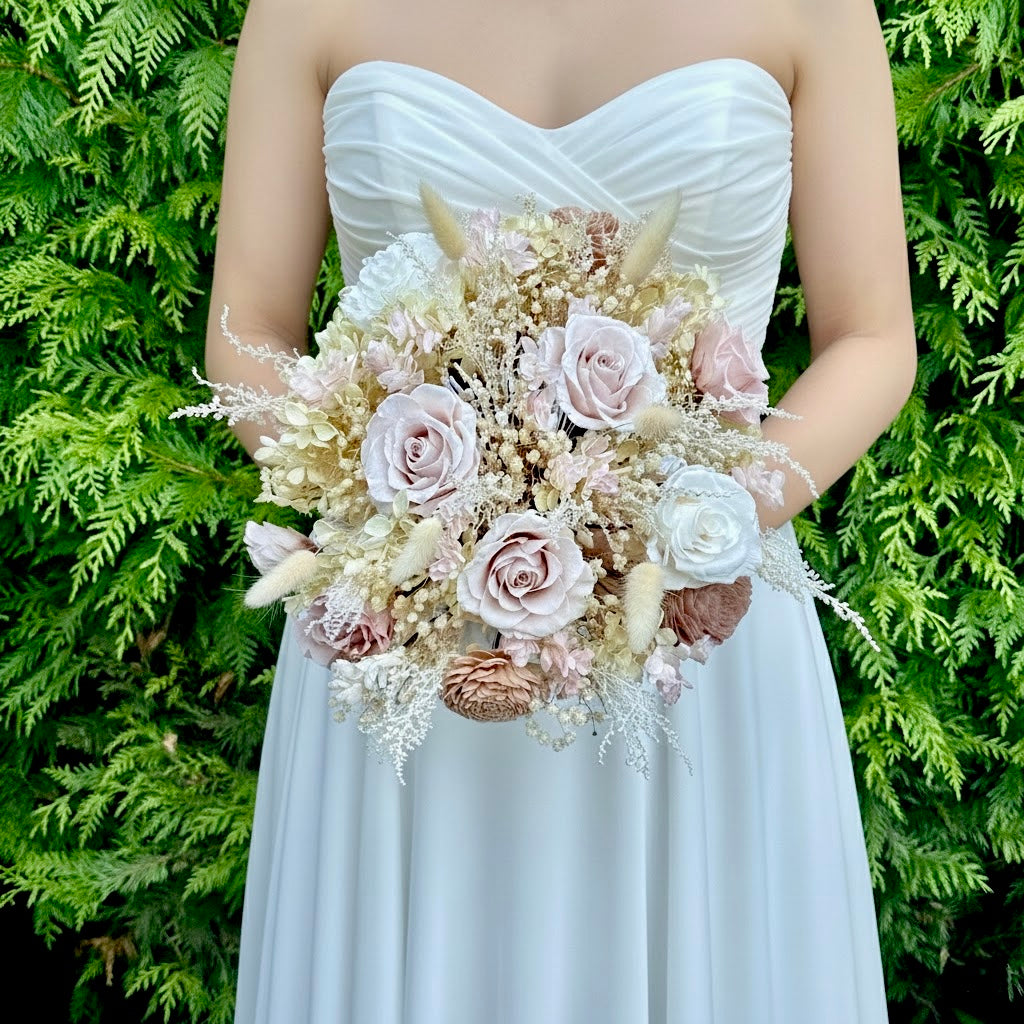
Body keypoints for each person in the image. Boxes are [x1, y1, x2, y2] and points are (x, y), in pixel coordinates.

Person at [206, 0, 916, 1020]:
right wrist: (427, 507)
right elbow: (246, 333)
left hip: (693, 634)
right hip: (412, 637)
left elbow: (874, 336)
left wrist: (677, 524)